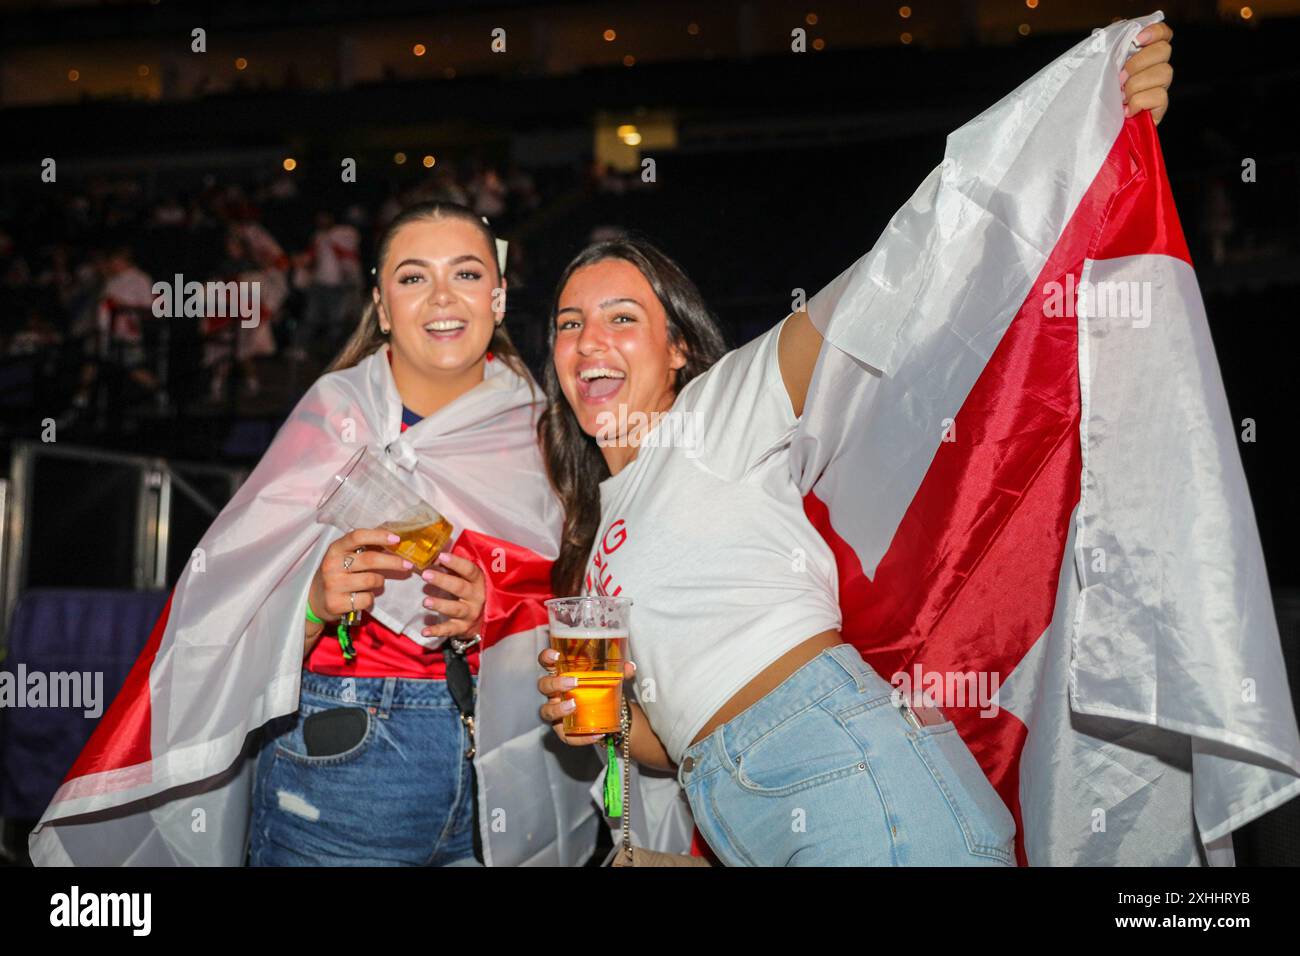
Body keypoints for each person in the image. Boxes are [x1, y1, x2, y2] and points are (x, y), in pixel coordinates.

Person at [535, 23, 1176, 865]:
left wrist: (1081, 127)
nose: (591, 341)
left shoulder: (721, 406)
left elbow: (891, 276)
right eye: (570, 324)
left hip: (832, 756)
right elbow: (661, 736)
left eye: (624, 318)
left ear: (678, 348)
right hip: (731, 804)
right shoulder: (591, 549)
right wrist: (605, 711)